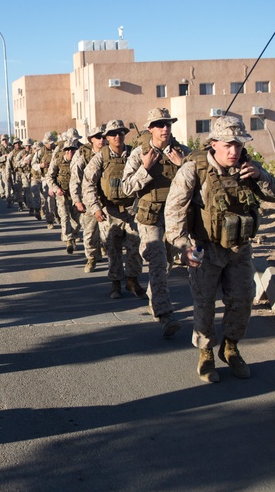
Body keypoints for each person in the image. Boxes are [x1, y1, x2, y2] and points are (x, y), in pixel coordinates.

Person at [164, 115, 275, 382]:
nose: (234, 151)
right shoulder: (195, 169)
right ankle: (205, 351)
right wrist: (182, 246)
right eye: (228, 144)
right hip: (206, 249)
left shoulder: (247, 167)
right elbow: (173, 211)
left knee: (242, 300)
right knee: (205, 304)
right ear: (214, 143)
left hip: (239, 250)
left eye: (238, 145)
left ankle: (230, 347)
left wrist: (260, 175)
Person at [121, 108, 190, 337]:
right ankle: (165, 314)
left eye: (168, 124)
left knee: (168, 263)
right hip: (149, 218)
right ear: (150, 128)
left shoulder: (181, 152)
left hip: (174, 219)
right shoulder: (139, 154)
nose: (165, 128)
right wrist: (146, 168)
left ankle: (155, 299)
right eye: (160, 124)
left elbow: (199, 181)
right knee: (158, 260)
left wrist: (183, 165)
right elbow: (126, 188)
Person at [83, 119, 144, 299]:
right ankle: (115, 283)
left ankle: (132, 280)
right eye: (112, 134)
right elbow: (88, 183)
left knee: (135, 247)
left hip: (132, 210)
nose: (117, 136)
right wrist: (95, 207)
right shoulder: (100, 158)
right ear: (107, 137)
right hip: (110, 211)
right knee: (113, 249)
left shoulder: (135, 154)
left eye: (121, 133)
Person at [70, 125, 105, 272]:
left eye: (103, 136)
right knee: (90, 233)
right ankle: (91, 258)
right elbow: (75, 179)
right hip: (89, 200)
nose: (102, 140)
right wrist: (77, 200)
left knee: (109, 234)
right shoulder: (83, 155)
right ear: (91, 139)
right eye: (98, 137)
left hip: (108, 200)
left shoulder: (111, 153)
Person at [46, 137, 82, 254]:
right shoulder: (57, 160)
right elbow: (49, 177)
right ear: (64, 150)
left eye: (73, 150)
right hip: (62, 194)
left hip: (76, 195)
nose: (70, 152)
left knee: (77, 220)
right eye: (68, 150)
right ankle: (68, 240)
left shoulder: (80, 162)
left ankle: (74, 235)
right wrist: (56, 189)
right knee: (65, 217)